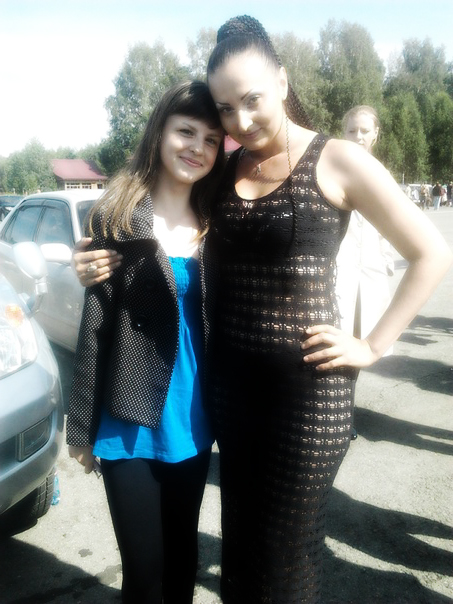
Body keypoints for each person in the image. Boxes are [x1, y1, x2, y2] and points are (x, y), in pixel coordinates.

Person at [72, 16, 452, 604]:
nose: (240, 122)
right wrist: (88, 261)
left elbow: (432, 253)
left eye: (252, 100)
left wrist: (371, 345)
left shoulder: (338, 159)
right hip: (229, 405)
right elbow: (149, 243)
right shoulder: (224, 173)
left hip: (305, 404)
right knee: (240, 565)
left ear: (282, 81)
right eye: (226, 109)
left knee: (284, 567)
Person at [66, 80, 224, 604]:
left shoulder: (219, 222)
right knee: (144, 577)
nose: (197, 147)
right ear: (160, 131)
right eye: (186, 131)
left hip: (193, 423)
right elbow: (95, 327)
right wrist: (81, 428)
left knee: (183, 567)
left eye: (210, 138)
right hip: (128, 424)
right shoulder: (116, 217)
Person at [336, 105, 394, 352]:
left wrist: (386, 259)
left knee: (366, 341)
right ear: (344, 132)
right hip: (340, 269)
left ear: (375, 134)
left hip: (372, 271)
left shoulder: (383, 174)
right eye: (352, 130)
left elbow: (389, 223)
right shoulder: (332, 169)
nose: (358, 136)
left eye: (364, 131)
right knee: (338, 340)